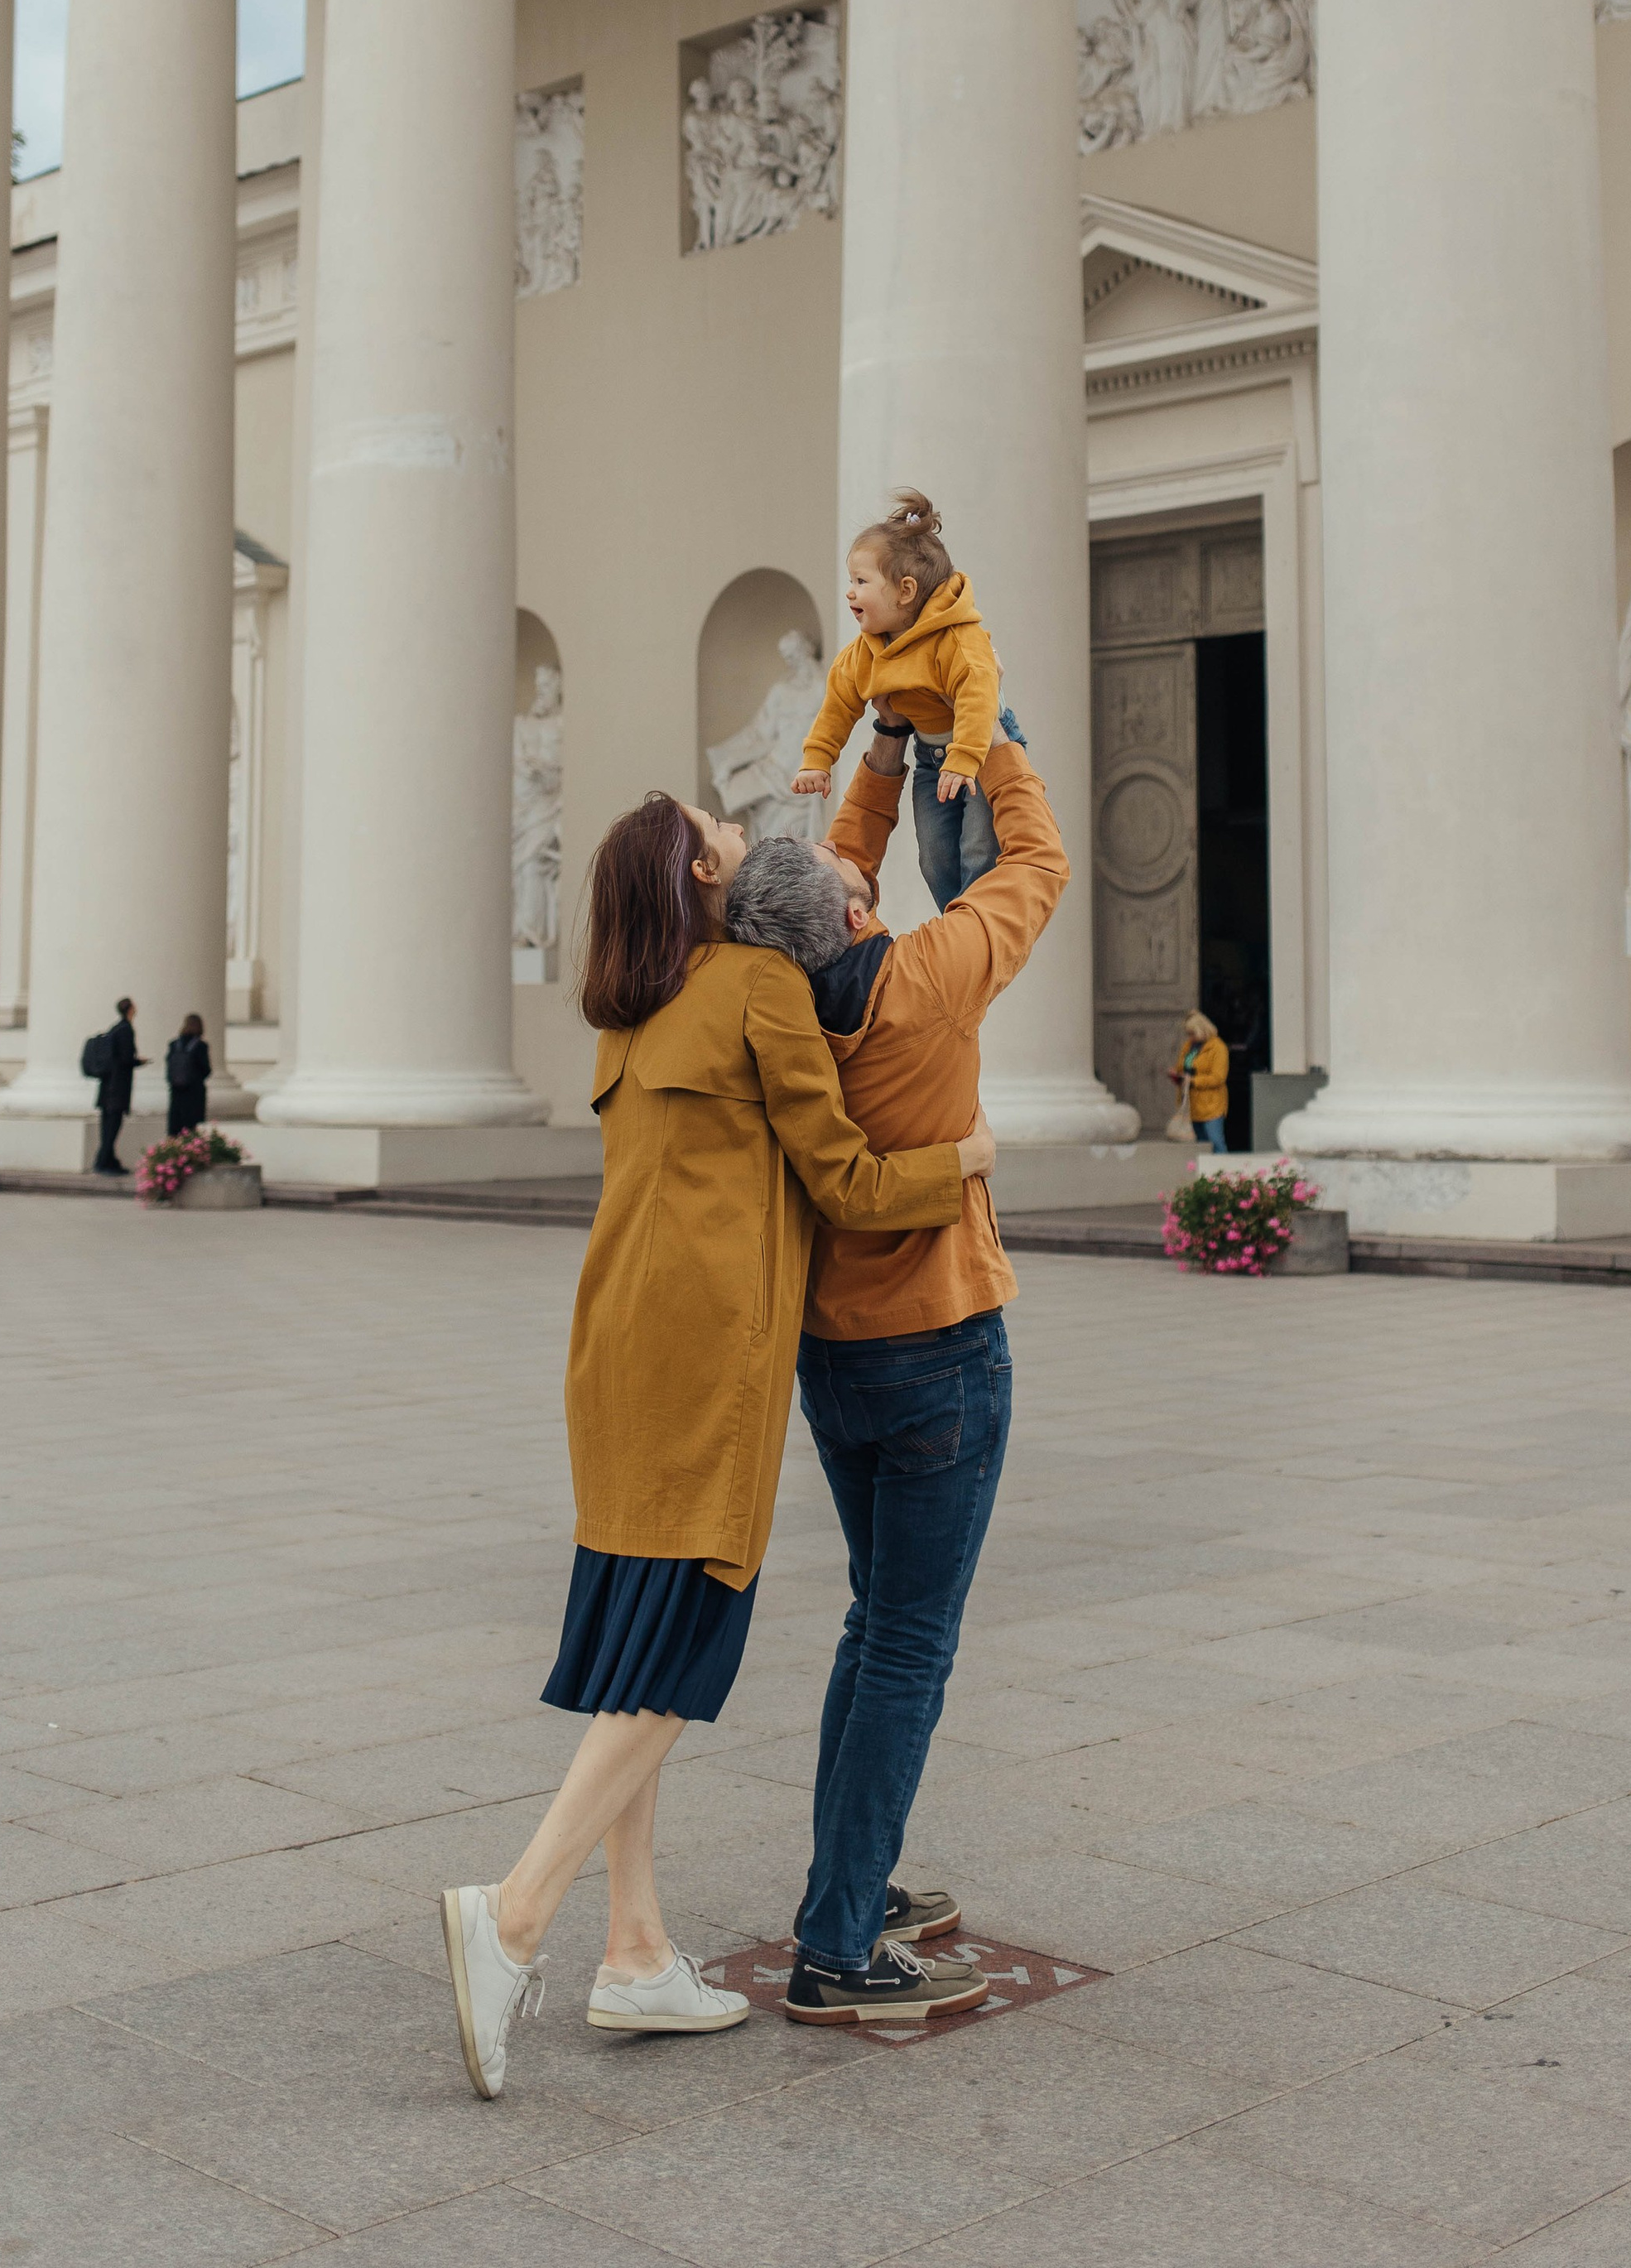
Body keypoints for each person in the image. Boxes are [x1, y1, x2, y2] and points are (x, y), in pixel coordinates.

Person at [440, 790, 995, 2099]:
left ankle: (636, 1953)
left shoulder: (622, 1015)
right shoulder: (754, 983)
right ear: (701, 866)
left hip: (609, 1348)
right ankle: (516, 1914)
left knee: (638, 1630)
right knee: (683, 1653)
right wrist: (962, 1158)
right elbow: (844, 1180)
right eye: (720, 825)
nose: (738, 829)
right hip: (704, 1355)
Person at [726, 693, 1069, 2022]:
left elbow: (818, 885)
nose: (862, 864)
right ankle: (836, 1944)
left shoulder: (769, 1001)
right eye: (855, 876)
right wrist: (995, 746)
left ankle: (851, 1883)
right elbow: (1032, 868)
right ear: (861, 917)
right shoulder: (925, 984)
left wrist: (877, 757)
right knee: (912, 1643)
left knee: (877, 1628)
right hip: (941, 1350)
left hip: (836, 1359)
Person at [792, 492, 1021, 909]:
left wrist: (966, 756)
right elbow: (838, 705)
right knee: (933, 858)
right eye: (850, 581)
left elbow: (977, 692)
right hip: (932, 758)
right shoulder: (865, 651)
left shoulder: (955, 638)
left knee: (978, 849)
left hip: (981, 750)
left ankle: (976, 928)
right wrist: (817, 759)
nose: (849, 593)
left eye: (861, 582)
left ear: (906, 591)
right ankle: (959, 928)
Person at [92, 998, 142, 1176]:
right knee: (113, 1126)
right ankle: (102, 1162)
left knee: (107, 1125)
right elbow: (126, 1058)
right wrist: (138, 1061)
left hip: (107, 1087)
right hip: (117, 1087)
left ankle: (109, 1161)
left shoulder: (114, 1029)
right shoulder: (126, 1030)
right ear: (130, 1009)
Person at [1172, 1010, 1231, 1153]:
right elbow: (1182, 1067)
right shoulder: (1188, 1046)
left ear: (1202, 1030)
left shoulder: (1218, 1048)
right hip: (1193, 1104)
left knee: (1215, 1141)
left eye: (1193, 1033)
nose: (1190, 1037)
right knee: (1201, 1144)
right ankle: (1205, 1173)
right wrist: (1177, 1075)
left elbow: (1218, 1077)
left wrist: (1194, 1081)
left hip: (1212, 1105)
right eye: (1188, 1034)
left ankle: (1222, 1172)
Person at [165, 1014, 211, 1137]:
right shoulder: (201, 1046)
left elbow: (169, 1066)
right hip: (194, 1093)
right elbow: (206, 1070)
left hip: (176, 1091)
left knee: (176, 1126)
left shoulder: (174, 1044)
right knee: (193, 1127)